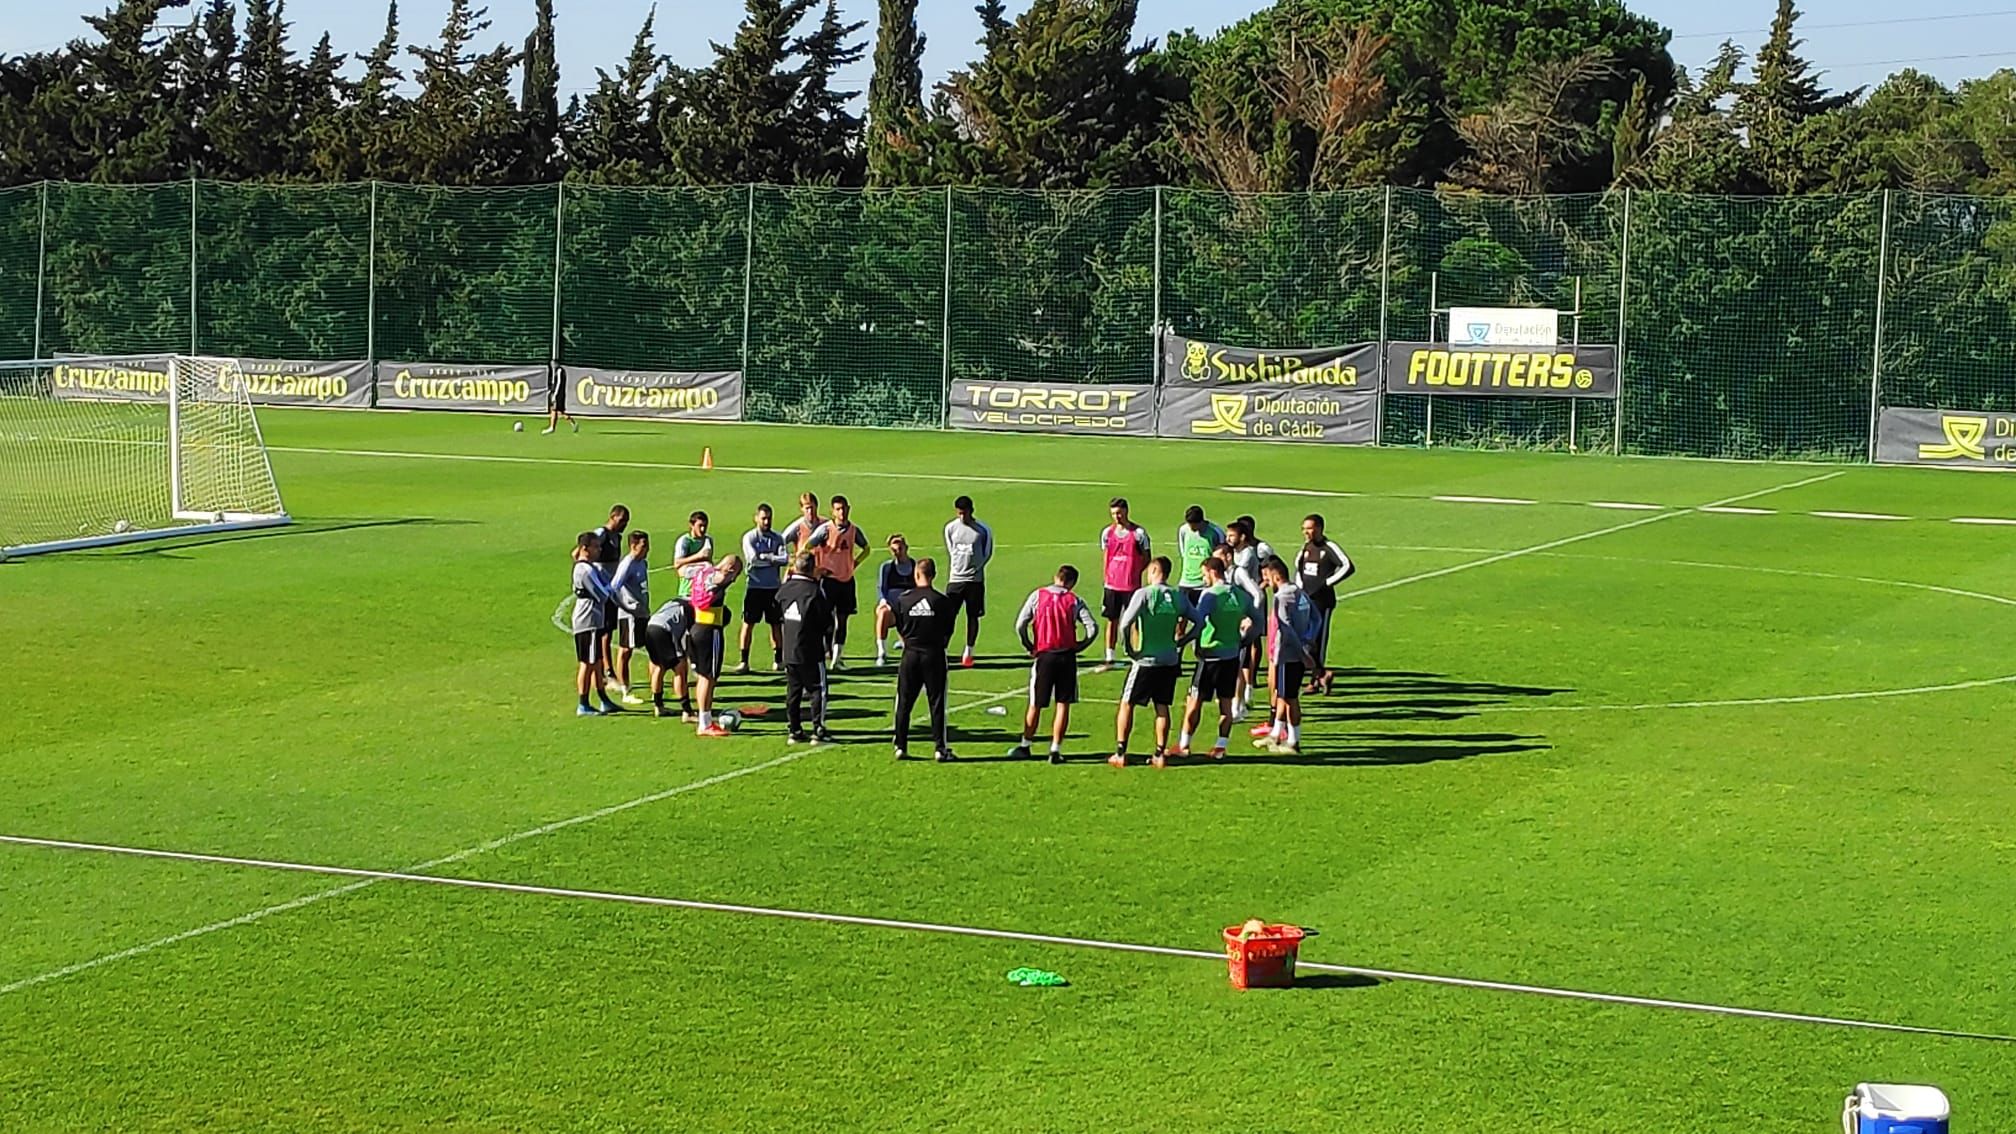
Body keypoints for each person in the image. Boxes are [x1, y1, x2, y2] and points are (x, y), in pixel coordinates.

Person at [1108, 557, 1196, 770]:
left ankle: (1121, 752)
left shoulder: (1144, 594)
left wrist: (1129, 648)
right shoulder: (1178, 596)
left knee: (1127, 704)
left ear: (1155, 570)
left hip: (1146, 661)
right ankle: (1159, 754)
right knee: (1162, 707)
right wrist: (1182, 641)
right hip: (1169, 660)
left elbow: (1125, 623)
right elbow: (1199, 620)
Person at [1010, 564, 1100, 765]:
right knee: (1063, 703)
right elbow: (1092, 628)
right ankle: (1055, 749)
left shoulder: (1038, 595)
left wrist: (1029, 645)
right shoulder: (1074, 600)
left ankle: (1025, 745)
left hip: (1044, 655)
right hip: (1066, 657)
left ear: (1056, 577)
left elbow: (1020, 624)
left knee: (1036, 703)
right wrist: (1080, 646)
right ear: (1072, 582)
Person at [1175, 558, 1256, 760]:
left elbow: (1200, 623)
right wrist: (1243, 641)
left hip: (1210, 657)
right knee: (1226, 705)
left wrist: (1183, 641)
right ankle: (1221, 747)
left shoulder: (1209, 595)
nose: (1203, 578)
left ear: (1212, 572)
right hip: (1231, 656)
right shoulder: (1240, 595)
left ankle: (1184, 745)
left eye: (1204, 574)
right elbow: (1258, 621)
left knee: (1194, 702)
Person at [892, 557, 957, 763]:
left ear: (916, 574)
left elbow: (900, 627)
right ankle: (939, 747)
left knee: (904, 701)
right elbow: (948, 631)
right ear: (934, 575)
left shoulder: (903, 599)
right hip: (934, 654)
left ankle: (900, 745)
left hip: (910, 654)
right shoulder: (943, 602)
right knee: (936, 702)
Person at [1255, 556, 1316, 756]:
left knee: (1289, 698)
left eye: (1267, 576)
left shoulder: (1282, 597)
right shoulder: (1301, 593)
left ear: (1275, 575)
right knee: (1284, 695)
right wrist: (1308, 641)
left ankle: (1293, 741)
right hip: (1297, 654)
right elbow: (1317, 618)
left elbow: (1286, 628)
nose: (1267, 581)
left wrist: (1301, 651)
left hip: (1288, 656)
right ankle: (1278, 734)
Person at [776, 552, 837, 745]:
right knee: (818, 690)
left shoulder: (785, 589)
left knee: (793, 691)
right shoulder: (814, 591)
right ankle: (818, 729)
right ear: (812, 568)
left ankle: (794, 730)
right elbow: (827, 621)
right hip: (810, 649)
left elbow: (777, 611)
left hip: (789, 650)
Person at [805, 495, 871, 668]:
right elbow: (807, 547)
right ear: (832, 511)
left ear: (849, 509)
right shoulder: (825, 530)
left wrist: (854, 563)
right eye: (838, 509)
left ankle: (837, 658)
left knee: (842, 620)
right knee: (825, 619)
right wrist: (817, 568)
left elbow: (866, 548)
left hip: (846, 581)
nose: (842, 512)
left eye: (844, 509)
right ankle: (823, 652)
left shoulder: (854, 530)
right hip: (829, 581)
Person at [683, 555, 743, 737]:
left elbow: (684, 571)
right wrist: (727, 575)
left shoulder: (703, 572)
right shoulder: (720, 577)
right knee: (709, 677)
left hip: (695, 627)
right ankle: (705, 723)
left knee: (703, 676)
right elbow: (722, 578)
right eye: (737, 573)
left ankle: (704, 719)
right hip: (710, 630)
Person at [1296, 513, 1356, 695]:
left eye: (1310, 528)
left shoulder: (1329, 547)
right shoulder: (1306, 548)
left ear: (1320, 528)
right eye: (1304, 528)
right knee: (1305, 639)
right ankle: (1321, 674)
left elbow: (1347, 566)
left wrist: (1326, 583)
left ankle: (1315, 679)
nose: (1306, 532)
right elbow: (1298, 568)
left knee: (1318, 639)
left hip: (1322, 602)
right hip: (1306, 600)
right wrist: (1299, 589)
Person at [568, 531, 623, 716]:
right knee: (587, 663)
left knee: (597, 661)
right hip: (588, 620)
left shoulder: (587, 567)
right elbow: (603, 593)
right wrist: (613, 587)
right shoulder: (586, 570)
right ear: (585, 548)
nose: (599, 550)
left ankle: (603, 699)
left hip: (594, 619)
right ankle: (583, 703)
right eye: (596, 547)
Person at [1098, 497, 1150, 669]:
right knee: (1111, 620)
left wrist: (1134, 573)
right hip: (1112, 585)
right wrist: (1106, 576)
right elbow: (1106, 555)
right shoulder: (1107, 533)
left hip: (1131, 586)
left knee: (1133, 621)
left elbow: (1147, 557)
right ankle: (1109, 656)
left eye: (1119, 513)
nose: (1117, 516)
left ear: (1126, 511)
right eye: (1113, 513)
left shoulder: (1139, 533)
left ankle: (1135, 654)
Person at [737, 503, 790, 674]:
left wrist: (767, 557)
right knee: (748, 623)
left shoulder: (777, 538)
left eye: (769, 518)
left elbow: (785, 559)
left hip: (773, 588)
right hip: (755, 587)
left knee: (776, 624)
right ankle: (744, 661)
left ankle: (778, 660)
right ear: (756, 518)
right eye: (763, 518)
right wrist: (772, 559)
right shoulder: (749, 538)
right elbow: (753, 560)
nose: (766, 522)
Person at [943, 495, 994, 669]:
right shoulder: (950, 528)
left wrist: (975, 569)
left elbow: (987, 553)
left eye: (964, 513)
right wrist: (958, 569)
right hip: (955, 579)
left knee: (973, 616)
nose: (962, 517)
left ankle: (968, 652)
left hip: (974, 580)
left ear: (971, 511)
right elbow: (951, 550)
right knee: (948, 616)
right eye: (959, 514)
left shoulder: (983, 530)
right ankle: (943, 649)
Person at [609, 530, 652, 706]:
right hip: (630, 615)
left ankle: (654, 686)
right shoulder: (627, 564)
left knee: (650, 647)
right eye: (644, 546)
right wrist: (626, 606)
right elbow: (613, 588)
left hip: (642, 612)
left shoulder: (642, 563)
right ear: (633, 546)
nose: (647, 549)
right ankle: (625, 689)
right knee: (625, 650)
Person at [592, 504, 631, 697]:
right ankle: (606, 672)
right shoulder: (602, 533)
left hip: (611, 590)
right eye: (622, 521)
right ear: (613, 517)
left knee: (608, 630)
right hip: (601, 590)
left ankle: (604, 672)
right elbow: (584, 551)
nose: (624, 525)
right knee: (604, 632)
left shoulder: (617, 537)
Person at [642, 595, 694, 719]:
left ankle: (658, 706)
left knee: (659, 667)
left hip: (650, 627)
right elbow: (689, 637)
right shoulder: (691, 609)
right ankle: (687, 711)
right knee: (680, 668)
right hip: (664, 631)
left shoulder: (675, 601)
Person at [873, 533, 917, 667]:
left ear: (906, 548)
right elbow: (882, 588)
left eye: (900, 549)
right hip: (892, 609)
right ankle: (882, 652)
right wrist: (883, 602)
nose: (897, 553)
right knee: (883, 613)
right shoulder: (887, 567)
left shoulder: (914, 565)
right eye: (894, 550)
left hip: (909, 609)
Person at [1174, 505, 1226, 608]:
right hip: (1186, 581)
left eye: (1194, 525)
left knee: (1203, 614)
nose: (1191, 528)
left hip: (1205, 583)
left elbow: (1220, 557)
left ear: (1201, 521)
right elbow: (1184, 553)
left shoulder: (1215, 532)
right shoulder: (1183, 530)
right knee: (1180, 616)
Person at [671, 511, 714, 598]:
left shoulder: (708, 540)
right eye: (700, 526)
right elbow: (677, 563)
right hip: (687, 589)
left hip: (703, 589)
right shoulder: (685, 541)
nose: (702, 529)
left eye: (705, 526)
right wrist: (699, 556)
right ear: (691, 525)